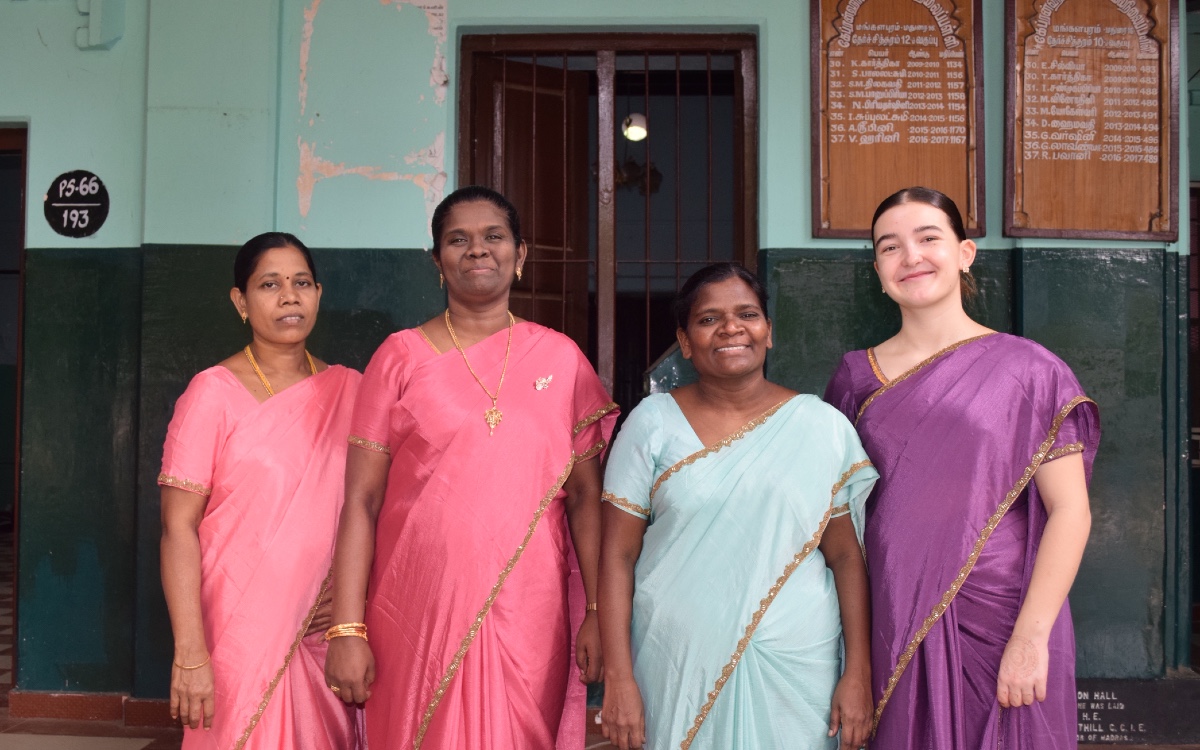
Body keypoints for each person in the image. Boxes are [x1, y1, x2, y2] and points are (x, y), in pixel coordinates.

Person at [323, 185, 618, 749]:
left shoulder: (561, 359)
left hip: (530, 615)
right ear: (437, 261)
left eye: (493, 237)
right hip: (415, 610)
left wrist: (598, 611)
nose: (477, 250)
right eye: (458, 240)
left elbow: (585, 499)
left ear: (520, 254)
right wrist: (346, 626)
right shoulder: (399, 357)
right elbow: (360, 502)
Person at [824, 186, 1100, 749]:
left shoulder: (1032, 370)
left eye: (929, 238)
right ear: (877, 270)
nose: (911, 257)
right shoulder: (854, 379)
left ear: (965, 252)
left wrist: (1031, 636)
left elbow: (1069, 510)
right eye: (889, 247)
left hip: (1002, 615)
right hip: (893, 614)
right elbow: (838, 524)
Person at [598, 262, 877, 750]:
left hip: (796, 663)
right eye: (708, 319)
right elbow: (618, 555)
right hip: (677, 660)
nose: (730, 328)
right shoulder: (652, 424)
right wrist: (619, 679)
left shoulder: (820, 426)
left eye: (747, 314)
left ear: (768, 332)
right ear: (684, 342)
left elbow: (847, 557)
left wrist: (857, 672)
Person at [158, 232, 362, 749]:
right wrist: (190, 652)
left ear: (318, 293)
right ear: (240, 301)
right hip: (238, 631)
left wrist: (354, 604)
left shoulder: (353, 391)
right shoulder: (211, 394)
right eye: (270, 285)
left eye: (301, 283)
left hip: (325, 630)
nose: (289, 297)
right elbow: (177, 528)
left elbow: (377, 509)